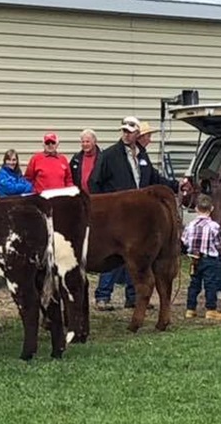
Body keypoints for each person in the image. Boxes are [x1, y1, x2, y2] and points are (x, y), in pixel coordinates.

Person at [89, 116, 161, 310]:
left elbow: (153, 177)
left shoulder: (141, 155)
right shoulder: (110, 155)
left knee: (134, 255)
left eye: (130, 132)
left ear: (137, 133)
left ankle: (133, 296)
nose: (126, 135)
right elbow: (94, 181)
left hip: (135, 214)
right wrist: (100, 207)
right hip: (113, 214)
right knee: (112, 253)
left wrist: (177, 184)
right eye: (124, 131)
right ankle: (103, 295)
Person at [182, 193, 221, 321]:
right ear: (211, 209)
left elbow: (184, 241)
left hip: (194, 259)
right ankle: (211, 309)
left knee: (194, 283)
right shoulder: (214, 226)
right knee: (210, 283)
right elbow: (219, 243)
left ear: (196, 209)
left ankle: (190, 309)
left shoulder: (190, 225)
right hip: (210, 259)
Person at [136, 121, 180, 193]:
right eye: (148, 136)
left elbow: (154, 176)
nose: (150, 140)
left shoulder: (142, 154)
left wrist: (175, 185)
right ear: (141, 137)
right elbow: (154, 178)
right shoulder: (138, 155)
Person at [69, 129, 100, 194]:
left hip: (98, 197)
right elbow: (69, 177)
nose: (85, 144)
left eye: (87, 141)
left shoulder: (103, 158)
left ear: (95, 142)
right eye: (83, 142)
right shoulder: (76, 159)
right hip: (81, 198)